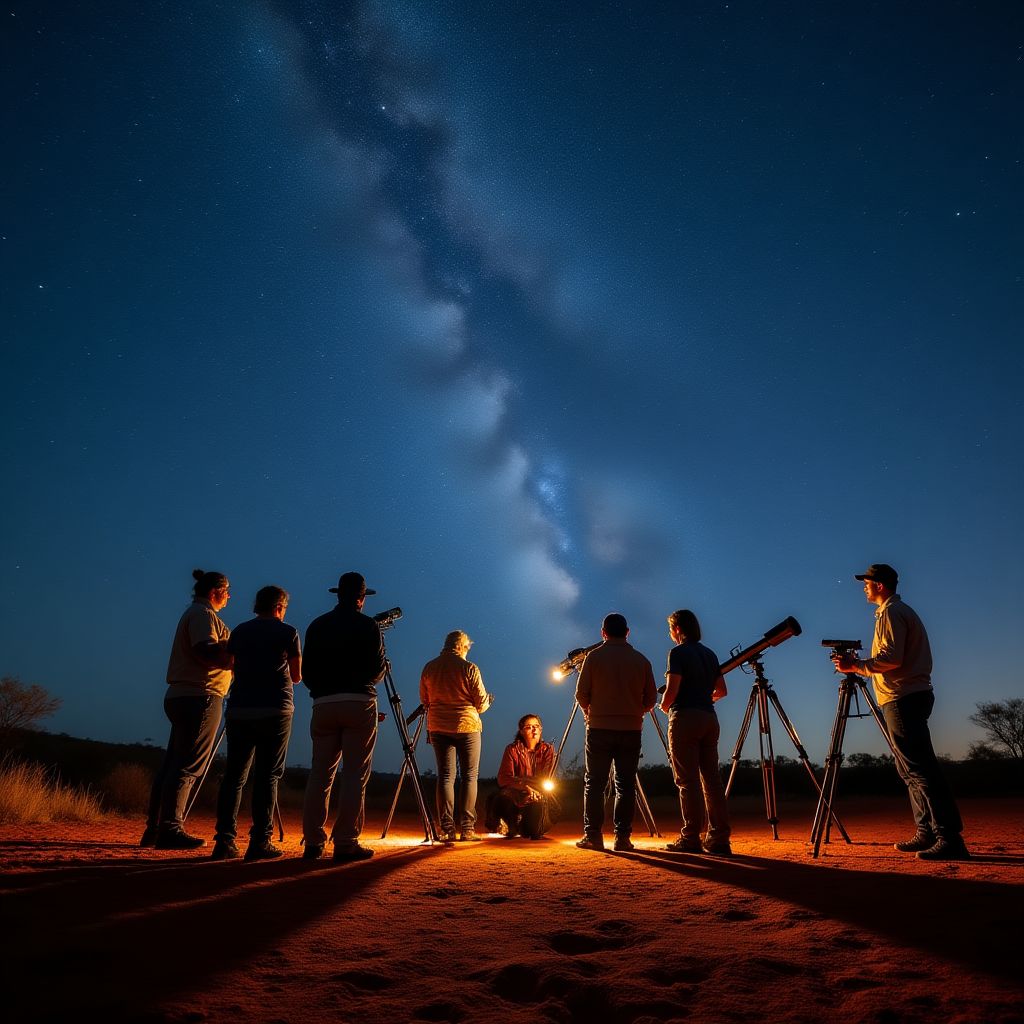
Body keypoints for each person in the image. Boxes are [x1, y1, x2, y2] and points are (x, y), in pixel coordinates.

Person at [833, 563, 969, 861]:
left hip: (903, 696)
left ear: (880, 585)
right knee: (909, 769)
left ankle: (949, 836)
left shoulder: (893, 612)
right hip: (904, 695)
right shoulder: (891, 612)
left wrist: (856, 666)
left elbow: (892, 658)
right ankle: (927, 832)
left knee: (920, 769)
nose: (864, 587)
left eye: (867, 583)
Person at [142, 569, 233, 850]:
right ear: (215, 592)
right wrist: (234, 655)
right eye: (227, 590)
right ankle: (170, 829)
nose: (230, 596)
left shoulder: (198, 614)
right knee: (188, 765)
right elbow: (204, 651)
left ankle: (155, 829)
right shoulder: (203, 616)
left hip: (184, 695)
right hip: (201, 695)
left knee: (173, 763)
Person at [301, 572, 386, 863]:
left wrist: (323, 690)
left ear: (338, 595)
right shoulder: (369, 626)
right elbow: (376, 671)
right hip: (359, 702)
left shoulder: (317, 625)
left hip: (323, 703)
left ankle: (313, 842)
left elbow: (307, 671)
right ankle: (346, 842)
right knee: (354, 776)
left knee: (320, 773)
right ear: (361, 598)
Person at [212, 586, 301, 861]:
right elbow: (297, 676)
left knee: (234, 777)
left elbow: (229, 664)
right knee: (267, 776)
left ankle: (224, 841)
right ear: (279, 607)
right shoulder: (288, 632)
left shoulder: (239, 631)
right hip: (275, 709)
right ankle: (260, 840)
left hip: (240, 709)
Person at [574, 613, 657, 852]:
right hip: (631, 729)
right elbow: (651, 698)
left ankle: (593, 835)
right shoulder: (641, 660)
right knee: (625, 784)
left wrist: (590, 713)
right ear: (627, 632)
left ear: (603, 633)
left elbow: (581, 694)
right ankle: (622, 837)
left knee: (594, 783)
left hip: (599, 727)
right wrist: (637, 712)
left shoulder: (594, 658)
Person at [659, 609, 732, 855]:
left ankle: (691, 837)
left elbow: (672, 688)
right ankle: (719, 838)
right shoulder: (709, 654)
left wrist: (664, 706)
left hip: (685, 717)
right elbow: (722, 690)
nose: (670, 633)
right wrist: (704, 697)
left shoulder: (677, 653)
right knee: (712, 780)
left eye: (671, 628)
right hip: (709, 717)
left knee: (687, 781)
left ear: (678, 629)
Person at [419, 630, 492, 842]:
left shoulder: (429, 667)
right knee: (469, 776)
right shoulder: (469, 668)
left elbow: (425, 700)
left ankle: (446, 829)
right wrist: (488, 701)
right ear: (461, 646)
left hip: (439, 726)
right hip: (466, 726)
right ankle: (467, 828)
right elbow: (481, 703)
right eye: (467, 647)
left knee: (445, 777)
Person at [487, 714, 559, 839]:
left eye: (536, 726)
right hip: (516, 795)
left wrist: (527, 784)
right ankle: (509, 824)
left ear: (541, 729)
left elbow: (547, 777)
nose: (534, 730)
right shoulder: (512, 749)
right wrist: (525, 786)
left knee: (533, 829)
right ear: (521, 731)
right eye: (529, 727)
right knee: (498, 798)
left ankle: (528, 826)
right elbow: (503, 778)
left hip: (539, 794)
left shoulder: (548, 750)